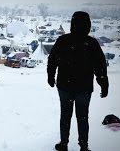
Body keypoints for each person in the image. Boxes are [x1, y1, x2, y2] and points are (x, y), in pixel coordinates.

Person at [47, 11, 109, 151]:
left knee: (65, 115)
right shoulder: (91, 43)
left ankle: (63, 144)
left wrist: (51, 76)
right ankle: (84, 146)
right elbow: (100, 67)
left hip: (64, 86)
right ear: (88, 25)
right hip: (84, 88)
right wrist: (103, 84)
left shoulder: (63, 41)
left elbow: (52, 60)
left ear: (72, 24)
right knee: (82, 118)